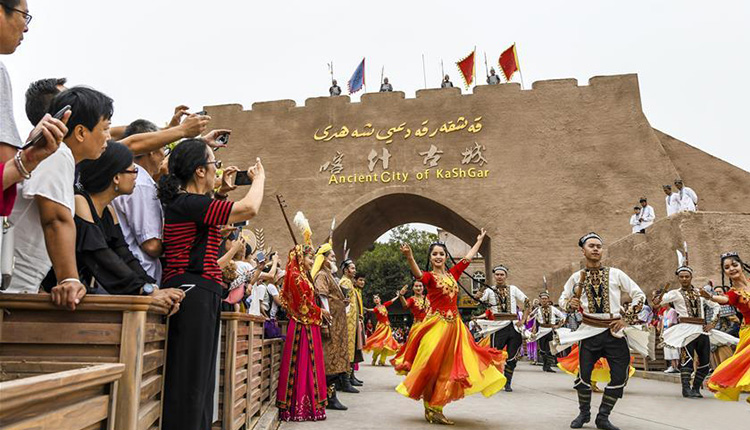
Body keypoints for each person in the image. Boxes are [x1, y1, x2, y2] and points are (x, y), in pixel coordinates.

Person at [159, 139, 265, 430]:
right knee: (191, 380)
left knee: (199, 380)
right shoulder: (189, 203)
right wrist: (259, 179)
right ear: (199, 171)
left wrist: (220, 192)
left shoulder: (189, 204)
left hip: (197, 291)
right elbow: (249, 208)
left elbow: (205, 222)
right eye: (213, 164)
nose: (216, 169)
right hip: (192, 292)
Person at [6, 87, 112, 312]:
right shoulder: (58, 153)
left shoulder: (59, 154)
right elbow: (54, 219)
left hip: (17, 284)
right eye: (105, 128)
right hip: (10, 288)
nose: (109, 137)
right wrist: (69, 280)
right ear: (81, 132)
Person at [398, 231, 506, 425]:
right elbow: (418, 275)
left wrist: (479, 241)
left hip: (455, 328)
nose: (438, 257)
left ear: (446, 257)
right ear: (430, 258)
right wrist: (410, 257)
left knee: (449, 368)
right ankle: (430, 406)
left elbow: (468, 258)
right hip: (436, 325)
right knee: (431, 364)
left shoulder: (453, 273)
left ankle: (435, 408)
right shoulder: (429, 277)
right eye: (434, 254)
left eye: (441, 254)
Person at [72, 141, 183, 306]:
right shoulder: (79, 201)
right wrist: (145, 290)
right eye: (133, 171)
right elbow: (101, 255)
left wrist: (151, 286)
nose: (136, 176)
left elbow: (125, 254)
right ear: (116, 177)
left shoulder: (109, 210)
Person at [558, 232, 647, 430]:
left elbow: (639, 295)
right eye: (591, 246)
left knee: (620, 376)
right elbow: (562, 300)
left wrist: (626, 318)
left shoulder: (616, 274)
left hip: (614, 332)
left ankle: (603, 417)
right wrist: (569, 304)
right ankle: (584, 413)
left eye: (599, 246)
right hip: (589, 331)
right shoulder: (576, 277)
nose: (596, 249)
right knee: (583, 376)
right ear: (583, 250)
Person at [653, 266, 737, 398]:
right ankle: (686, 389)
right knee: (686, 360)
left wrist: (712, 324)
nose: (684, 279)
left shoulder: (700, 292)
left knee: (705, 362)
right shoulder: (675, 293)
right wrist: (658, 298)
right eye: (681, 277)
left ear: (691, 277)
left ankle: (696, 388)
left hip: (701, 330)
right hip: (685, 331)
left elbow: (716, 306)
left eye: (687, 276)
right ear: (678, 278)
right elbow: (658, 302)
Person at [276, 242, 329, 422]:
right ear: (300, 257)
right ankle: (297, 408)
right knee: (302, 362)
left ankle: (310, 407)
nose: (312, 261)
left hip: (309, 325)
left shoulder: (304, 276)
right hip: (301, 326)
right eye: (309, 257)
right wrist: (321, 312)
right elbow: (302, 306)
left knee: (310, 364)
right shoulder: (296, 277)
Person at [110, 119, 165, 282]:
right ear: (151, 149)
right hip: (138, 276)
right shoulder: (141, 184)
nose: (164, 155)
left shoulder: (130, 177)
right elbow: (151, 245)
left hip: (123, 273)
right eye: (163, 147)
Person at [472, 264, 530, 391]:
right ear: (494, 276)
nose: (499, 277)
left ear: (506, 276)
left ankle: (507, 382)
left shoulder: (513, 289)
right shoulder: (489, 290)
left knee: (512, 357)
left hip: (513, 326)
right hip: (498, 327)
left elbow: (527, 302)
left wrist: (523, 320)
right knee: (494, 355)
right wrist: (478, 295)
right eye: (497, 274)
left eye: (502, 274)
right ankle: (495, 380)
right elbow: (477, 301)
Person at [312, 243, 355, 410]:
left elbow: (331, 297)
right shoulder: (322, 275)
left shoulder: (329, 274)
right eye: (331, 256)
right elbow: (322, 298)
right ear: (323, 259)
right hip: (330, 324)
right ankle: (329, 398)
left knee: (336, 359)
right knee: (329, 361)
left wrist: (342, 302)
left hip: (337, 325)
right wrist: (327, 321)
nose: (334, 259)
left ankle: (331, 396)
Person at [705, 252, 750, 403]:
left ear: (741, 265)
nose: (732, 269)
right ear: (724, 272)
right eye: (727, 267)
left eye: (734, 265)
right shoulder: (733, 293)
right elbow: (724, 299)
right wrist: (710, 296)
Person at [391, 280, 429, 369]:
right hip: (418, 326)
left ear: (423, 287)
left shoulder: (428, 298)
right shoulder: (412, 299)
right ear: (413, 288)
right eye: (416, 286)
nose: (418, 288)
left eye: (420, 286)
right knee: (416, 347)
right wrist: (401, 296)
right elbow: (405, 306)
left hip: (429, 325)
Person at [339, 259, 365, 386]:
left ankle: (350, 377)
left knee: (353, 349)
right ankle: (346, 381)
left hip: (353, 321)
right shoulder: (345, 282)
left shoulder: (349, 282)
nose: (355, 271)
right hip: (348, 321)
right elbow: (345, 303)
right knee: (348, 350)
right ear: (346, 270)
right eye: (352, 268)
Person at [532, 291, 566, 373]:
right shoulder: (537, 309)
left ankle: (548, 366)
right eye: (542, 299)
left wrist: (558, 325)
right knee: (542, 350)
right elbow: (530, 317)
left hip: (550, 331)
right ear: (540, 300)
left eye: (545, 299)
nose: (544, 300)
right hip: (541, 331)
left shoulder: (553, 309)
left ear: (548, 299)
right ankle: (545, 364)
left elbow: (563, 317)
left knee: (549, 349)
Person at [363, 293, 400, 366]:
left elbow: (391, 301)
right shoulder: (376, 309)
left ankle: (382, 360)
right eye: (375, 299)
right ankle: (374, 358)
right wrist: (366, 309)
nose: (376, 299)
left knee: (387, 344)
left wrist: (398, 296)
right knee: (379, 343)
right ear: (374, 301)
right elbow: (372, 310)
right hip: (381, 327)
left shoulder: (384, 305)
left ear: (380, 299)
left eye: (377, 298)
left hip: (387, 327)